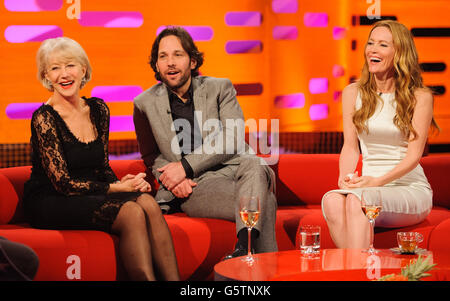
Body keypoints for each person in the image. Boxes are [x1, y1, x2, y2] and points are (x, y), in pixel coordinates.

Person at [23, 37, 179, 281]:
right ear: (46, 76)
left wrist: (125, 183)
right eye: (55, 68)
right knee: (131, 212)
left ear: (83, 69)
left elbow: (101, 167)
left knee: (147, 203)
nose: (64, 74)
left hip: (89, 191)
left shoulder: (98, 109)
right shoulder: (44, 118)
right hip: (52, 198)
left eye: (70, 66)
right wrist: (116, 188)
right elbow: (63, 183)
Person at [133, 26, 278, 258]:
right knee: (265, 202)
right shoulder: (144, 103)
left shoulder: (220, 88)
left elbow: (232, 137)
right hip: (197, 185)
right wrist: (171, 179)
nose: (170, 62)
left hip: (234, 168)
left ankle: (243, 251)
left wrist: (184, 166)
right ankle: (255, 261)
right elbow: (151, 155)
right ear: (156, 65)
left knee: (255, 163)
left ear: (192, 61)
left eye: (177, 55)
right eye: (163, 56)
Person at [321, 20, 439, 249]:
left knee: (360, 201)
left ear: (400, 53)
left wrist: (377, 182)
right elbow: (350, 147)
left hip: (408, 188)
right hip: (368, 188)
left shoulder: (420, 97)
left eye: (383, 45)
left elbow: (413, 156)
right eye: (371, 43)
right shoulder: (352, 93)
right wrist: (345, 178)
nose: (372, 49)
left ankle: (355, 275)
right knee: (333, 200)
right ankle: (357, 272)